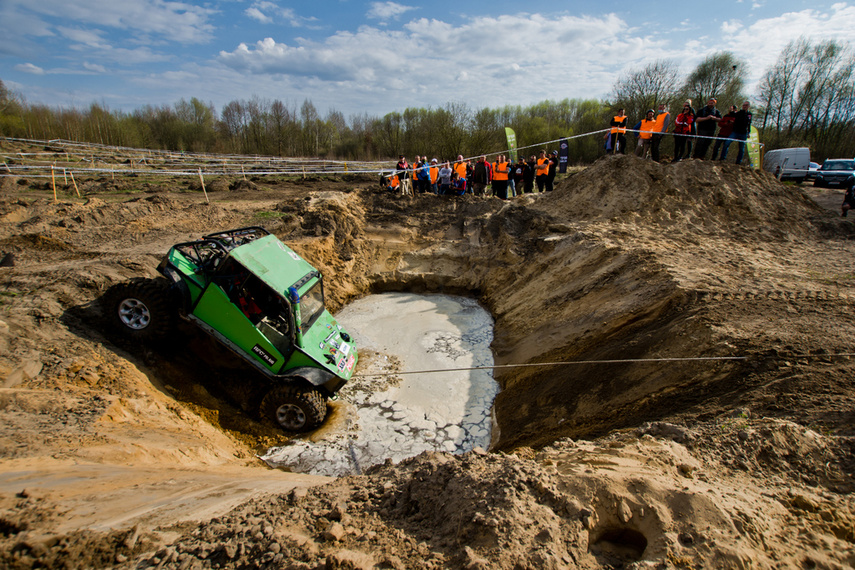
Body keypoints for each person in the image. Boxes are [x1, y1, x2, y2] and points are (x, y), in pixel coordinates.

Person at [720, 101, 753, 165]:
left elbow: (749, 124)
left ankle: (738, 162)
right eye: (743, 105)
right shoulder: (739, 113)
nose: (744, 106)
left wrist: (749, 132)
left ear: (748, 106)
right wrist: (731, 110)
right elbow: (732, 114)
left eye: (746, 105)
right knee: (727, 143)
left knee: (741, 148)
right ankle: (722, 158)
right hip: (735, 132)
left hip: (744, 133)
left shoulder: (750, 114)